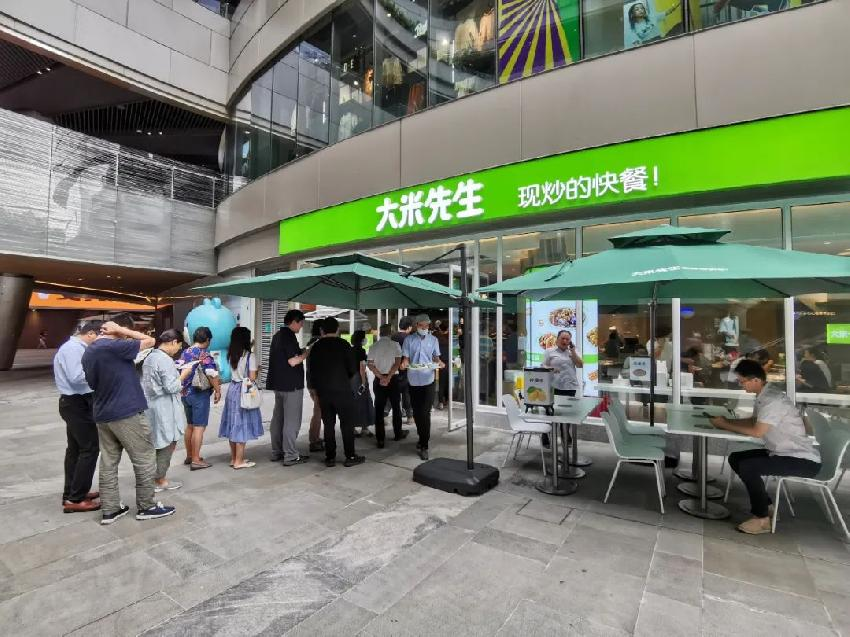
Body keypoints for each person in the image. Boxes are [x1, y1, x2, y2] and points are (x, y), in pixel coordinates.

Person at [82, 315, 175, 525]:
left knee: (108, 461)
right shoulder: (113, 346)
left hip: (103, 413)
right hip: (126, 412)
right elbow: (150, 341)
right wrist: (122, 330)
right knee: (144, 458)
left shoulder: (89, 351)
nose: (127, 337)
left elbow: (92, 382)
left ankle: (110, 509)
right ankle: (146, 506)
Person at [710, 359, 821, 535]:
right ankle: (766, 506)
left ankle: (761, 519)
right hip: (782, 452)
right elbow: (755, 421)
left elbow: (757, 431)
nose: (741, 385)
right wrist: (726, 421)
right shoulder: (764, 396)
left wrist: (725, 425)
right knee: (736, 458)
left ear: (755, 380)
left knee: (749, 467)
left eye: (742, 381)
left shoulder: (772, 401)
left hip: (801, 459)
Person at [54, 321, 103, 513]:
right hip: (76, 403)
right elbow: (76, 377)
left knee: (75, 450)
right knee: (90, 448)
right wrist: (101, 374)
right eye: (100, 337)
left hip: (75, 402)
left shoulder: (75, 348)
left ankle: (73, 492)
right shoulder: (73, 349)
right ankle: (75, 498)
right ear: (91, 334)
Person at [307, 317, 365, 467]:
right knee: (346, 424)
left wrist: (314, 389)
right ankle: (350, 456)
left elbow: (312, 370)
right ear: (338, 329)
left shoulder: (316, 347)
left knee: (328, 424)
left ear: (322, 330)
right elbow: (352, 370)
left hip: (323, 392)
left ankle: (330, 457)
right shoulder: (344, 344)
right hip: (342, 390)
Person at [142, 329, 189, 493]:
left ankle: (151, 477)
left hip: (152, 405)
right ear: (174, 342)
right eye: (179, 346)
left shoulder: (150, 357)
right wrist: (184, 375)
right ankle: (159, 479)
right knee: (167, 442)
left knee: (156, 442)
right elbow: (171, 387)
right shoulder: (165, 360)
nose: (178, 350)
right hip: (164, 406)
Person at [266, 309, 310, 466]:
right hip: (291, 386)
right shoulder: (289, 336)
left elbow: (286, 356)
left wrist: (300, 351)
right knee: (292, 421)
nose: (301, 326)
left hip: (278, 385)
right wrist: (306, 353)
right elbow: (293, 361)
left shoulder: (277, 335)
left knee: (278, 419)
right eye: (301, 323)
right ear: (294, 321)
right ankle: (290, 455)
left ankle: (277, 451)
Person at [219, 326, 264, 469]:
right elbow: (252, 377)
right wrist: (258, 370)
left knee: (233, 424)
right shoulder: (250, 356)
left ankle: (234, 458)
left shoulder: (231, 354)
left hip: (233, 389)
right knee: (241, 424)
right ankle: (239, 461)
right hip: (244, 390)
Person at [401, 314, 444, 461]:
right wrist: (404, 364)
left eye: (427, 326)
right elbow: (406, 359)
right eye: (421, 325)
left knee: (425, 413)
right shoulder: (409, 340)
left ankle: (424, 445)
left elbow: (436, 358)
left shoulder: (433, 340)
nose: (424, 328)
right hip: (413, 381)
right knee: (417, 413)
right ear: (416, 325)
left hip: (428, 380)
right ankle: (421, 437)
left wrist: (440, 363)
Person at [178, 327, 221, 470]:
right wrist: (217, 391)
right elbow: (212, 374)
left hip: (185, 394)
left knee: (190, 425)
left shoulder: (185, 352)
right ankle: (196, 460)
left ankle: (190, 456)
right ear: (207, 339)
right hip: (199, 394)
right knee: (199, 427)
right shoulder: (204, 354)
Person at [368, 324, 407, 448]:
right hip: (393, 380)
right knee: (396, 407)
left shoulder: (374, 346)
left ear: (380, 333)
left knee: (379, 409)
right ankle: (398, 433)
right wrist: (389, 377)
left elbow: (370, 364)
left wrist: (381, 377)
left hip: (379, 380)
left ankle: (380, 439)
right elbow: (397, 363)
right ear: (390, 333)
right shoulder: (395, 345)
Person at [542, 330, 584, 447]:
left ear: (570, 341)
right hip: (554, 386)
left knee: (567, 414)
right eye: (562, 338)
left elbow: (580, 365)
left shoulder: (573, 351)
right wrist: (551, 368)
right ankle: (546, 435)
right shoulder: (549, 351)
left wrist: (573, 352)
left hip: (569, 386)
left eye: (567, 339)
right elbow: (543, 365)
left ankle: (565, 435)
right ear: (557, 339)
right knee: (551, 413)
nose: (565, 341)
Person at [304, 320, 325, 452]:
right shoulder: (319, 343)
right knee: (318, 411)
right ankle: (314, 440)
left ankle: (315, 437)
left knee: (318, 410)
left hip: (310, 382)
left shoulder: (310, 342)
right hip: (318, 383)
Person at [351, 330, 375, 438]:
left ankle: (352, 428)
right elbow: (362, 368)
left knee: (353, 402)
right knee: (364, 402)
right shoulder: (361, 351)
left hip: (350, 379)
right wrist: (364, 383)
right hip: (359, 379)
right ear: (361, 340)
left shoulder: (349, 350)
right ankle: (364, 428)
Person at [392, 315, 415, 425]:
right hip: (406, 369)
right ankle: (410, 417)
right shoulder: (409, 338)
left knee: (394, 393)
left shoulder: (392, 337)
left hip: (393, 369)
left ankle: (388, 414)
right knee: (407, 393)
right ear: (409, 327)